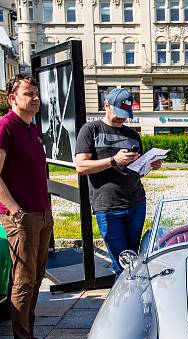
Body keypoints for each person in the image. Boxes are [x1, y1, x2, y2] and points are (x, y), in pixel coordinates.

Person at [0, 74, 58, 339]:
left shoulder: (32, 129)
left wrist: (46, 209)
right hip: (21, 216)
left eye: (37, 93)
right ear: (12, 98)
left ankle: (29, 331)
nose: (35, 98)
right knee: (23, 279)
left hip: (41, 213)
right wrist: (14, 209)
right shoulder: (3, 128)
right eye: (29, 93)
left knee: (37, 276)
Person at [74, 88, 162, 278]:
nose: (123, 119)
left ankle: (132, 296)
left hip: (136, 203)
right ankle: (121, 299)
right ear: (106, 105)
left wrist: (149, 165)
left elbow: (138, 171)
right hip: (108, 207)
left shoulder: (132, 134)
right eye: (119, 113)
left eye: (126, 114)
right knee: (121, 262)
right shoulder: (91, 130)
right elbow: (81, 166)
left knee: (134, 259)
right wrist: (113, 160)